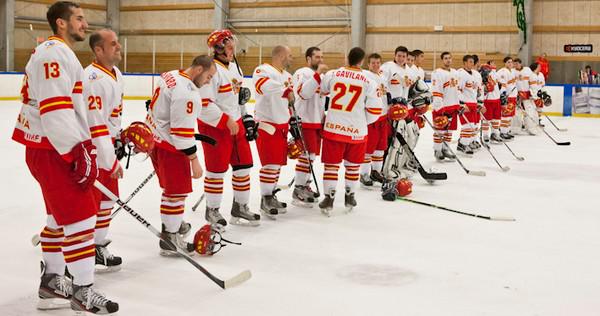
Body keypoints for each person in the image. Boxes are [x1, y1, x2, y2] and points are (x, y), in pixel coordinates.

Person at [12, 1, 118, 313]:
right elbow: (55, 108)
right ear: (61, 23)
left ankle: (51, 282)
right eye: (79, 19)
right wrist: (76, 151)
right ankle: (82, 291)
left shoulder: (61, 53)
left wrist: (87, 146)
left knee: (59, 216)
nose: (85, 24)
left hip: (51, 147)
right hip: (52, 149)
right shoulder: (53, 53)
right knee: (82, 216)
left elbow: (73, 108)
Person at [146, 55, 215, 255]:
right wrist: (194, 161)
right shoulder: (187, 93)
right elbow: (181, 133)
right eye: (209, 77)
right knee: (176, 192)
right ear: (200, 70)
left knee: (170, 190)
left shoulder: (172, 74)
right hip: (171, 147)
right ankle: (170, 237)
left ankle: (172, 223)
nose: (208, 82)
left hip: (155, 138)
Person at [197, 29, 260, 229]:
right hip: (215, 127)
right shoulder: (210, 69)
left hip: (235, 124)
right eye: (228, 46)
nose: (232, 50)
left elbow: (237, 98)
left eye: (233, 46)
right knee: (216, 171)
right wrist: (225, 120)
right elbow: (204, 105)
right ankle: (212, 210)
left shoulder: (235, 67)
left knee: (244, 166)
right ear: (217, 48)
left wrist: (246, 117)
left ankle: (240, 207)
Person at [318, 47, 388, 215]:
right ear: (362, 61)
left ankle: (329, 197)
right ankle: (350, 195)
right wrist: (362, 123)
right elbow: (375, 110)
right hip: (357, 131)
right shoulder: (368, 80)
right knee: (353, 166)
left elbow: (322, 91)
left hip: (333, 128)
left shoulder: (333, 74)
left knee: (331, 166)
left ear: (347, 58)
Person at [84, 29, 125, 272]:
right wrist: (109, 160)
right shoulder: (92, 80)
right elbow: (95, 125)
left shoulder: (115, 73)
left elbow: (111, 116)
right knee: (88, 205)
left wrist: (119, 137)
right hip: (93, 151)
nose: (118, 46)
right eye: (113, 44)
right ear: (98, 50)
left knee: (107, 201)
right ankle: (77, 254)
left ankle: (97, 246)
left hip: (107, 146)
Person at [252, 46, 294, 219]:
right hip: (267, 124)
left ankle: (271, 195)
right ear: (281, 55)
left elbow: (289, 102)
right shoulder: (263, 70)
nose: (292, 59)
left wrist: (293, 121)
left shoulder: (288, 76)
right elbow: (263, 87)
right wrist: (286, 90)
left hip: (282, 125)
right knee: (270, 164)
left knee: (277, 164)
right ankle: (265, 198)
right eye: (290, 56)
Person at [291, 46, 328, 206]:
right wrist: (318, 74)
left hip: (316, 121)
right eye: (316, 57)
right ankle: (298, 189)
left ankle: (304, 185)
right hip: (304, 120)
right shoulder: (302, 73)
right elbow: (304, 94)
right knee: (306, 157)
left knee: (311, 157)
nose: (320, 60)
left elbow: (323, 98)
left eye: (321, 57)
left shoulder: (321, 75)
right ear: (308, 59)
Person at [360, 53, 390, 187]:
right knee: (369, 148)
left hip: (383, 117)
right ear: (368, 64)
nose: (376, 65)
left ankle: (376, 172)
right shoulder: (366, 76)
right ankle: (364, 174)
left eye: (378, 62)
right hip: (371, 118)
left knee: (380, 147)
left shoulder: (382, 77)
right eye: (373, 63)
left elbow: (384, 95)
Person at [431, 52, 461, 161]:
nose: (448, 60)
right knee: (440, 130)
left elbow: (457, 90)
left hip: (453, 106)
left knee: (450, 131)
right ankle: (437, 150)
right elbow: (436, 91)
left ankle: (445, 149)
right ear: (442, 60)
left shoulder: (455, 72)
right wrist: (440, 107)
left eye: (449, 58)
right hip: (442, 107)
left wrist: (459, 104)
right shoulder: (437, 73)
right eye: (445, 58)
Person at [456, 55, 481, 155]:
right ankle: (462, 145)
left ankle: (467, 142)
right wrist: (461, 103)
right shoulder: (461, 74)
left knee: (473, 126)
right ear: (465, 62)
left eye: (473, 62)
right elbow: (457, 90)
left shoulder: (474, 74)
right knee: (467, 126)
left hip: (473, 103)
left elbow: (476, 90)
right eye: (470, 61)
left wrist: (479, 101)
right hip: (465, 104)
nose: (472, 63)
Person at [480, 61, 504, 143]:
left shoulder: (495, 73)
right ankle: (486, 135)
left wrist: (502, 93)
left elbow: (499, 85)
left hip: (497, 100)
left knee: (496, 119)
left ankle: (495, 134)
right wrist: (484, 85)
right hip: (487, 101)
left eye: (487, 69)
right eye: (485, 69)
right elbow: (482, 90)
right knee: (487, 119)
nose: (486, 71)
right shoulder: (480, 77)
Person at [513, 58, 537, 135]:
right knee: (517, 113)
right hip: (517, 95)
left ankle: (531, 128)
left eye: (517, 63)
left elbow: (532, 82)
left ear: (520, 63)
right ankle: (515, 129)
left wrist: (533, 93)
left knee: (529, 112)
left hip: (527, 95)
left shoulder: (527, 70)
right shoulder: (513, 71)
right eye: (514, 64)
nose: (515, 65)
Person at [496, 56, 517, 140]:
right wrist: (503, 95)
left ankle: (507, 130)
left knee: (510, 115)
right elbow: (502, 86)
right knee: (506, 115)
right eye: (508, 62)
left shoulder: (513, 71)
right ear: (505, 63)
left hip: (513, 96)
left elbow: (513, 85)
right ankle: (503, 132)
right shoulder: (502, 72)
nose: (510, 63)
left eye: (511, 62)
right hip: (507, 97)